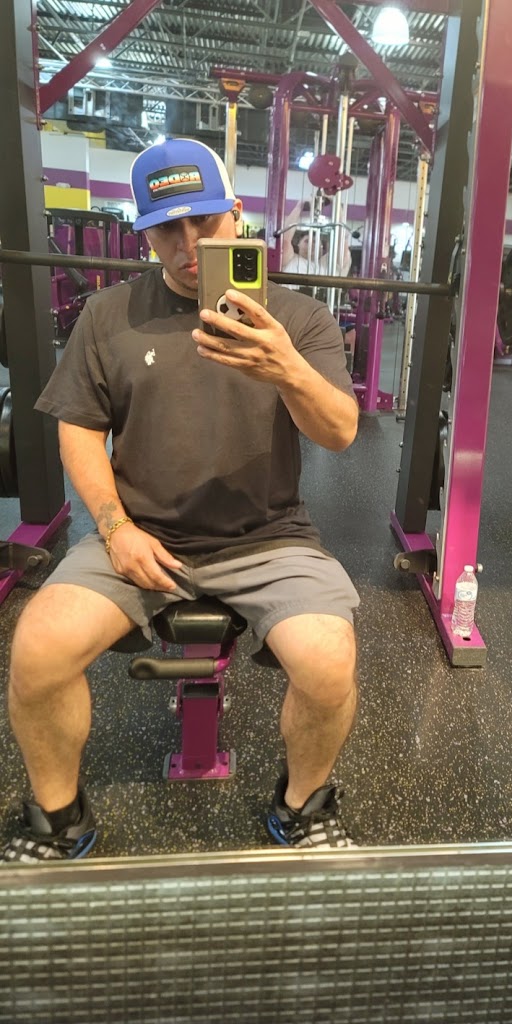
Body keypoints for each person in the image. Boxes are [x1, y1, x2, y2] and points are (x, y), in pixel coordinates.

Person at [3, 138, 361, 863]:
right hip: (140, 533)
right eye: (167, 228)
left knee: (328, 663)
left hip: (268, 539)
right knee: (37, 651)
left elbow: (341, 431)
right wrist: (114, 528)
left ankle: (301, 807)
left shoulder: (297, 317)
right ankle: (57, 819)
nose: (188, 244)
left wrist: (287, 369)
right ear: (145, 233)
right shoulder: (108, 315)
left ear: (237, 213)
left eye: (204, 221)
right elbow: (80, 430)